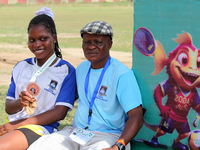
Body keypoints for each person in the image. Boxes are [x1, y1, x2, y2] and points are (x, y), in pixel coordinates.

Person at [29, 20, 143, 150]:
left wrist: (118, 145)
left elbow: (136, 116)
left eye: (98, 42)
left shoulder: (122, 74)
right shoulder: (81, 69)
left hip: (108, 136)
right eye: (87, 42)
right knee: (43, 144)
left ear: (109, 44)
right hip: (77, 133)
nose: (91, 47)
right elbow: (65, 99)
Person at [0, 7, 76, 150]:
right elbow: (9, 108)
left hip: (39, 128)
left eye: (43, 39)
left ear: (54, 38)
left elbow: (60, 112)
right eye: (31, 40)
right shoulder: (21, 66)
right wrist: (20, 102)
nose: (37, 44)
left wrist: (18, 125)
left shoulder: (66, 71)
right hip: (13, 124)